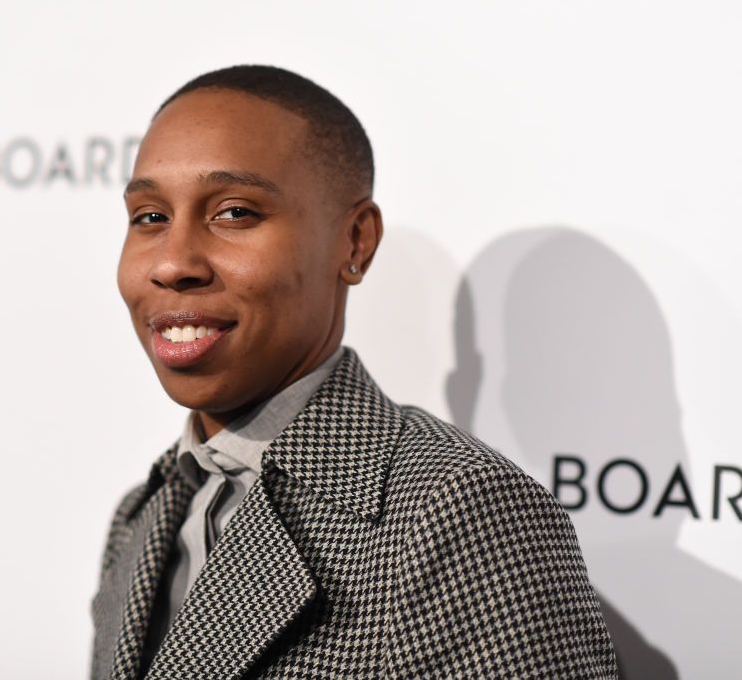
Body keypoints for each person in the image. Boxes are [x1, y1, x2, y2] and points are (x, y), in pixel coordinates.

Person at [91, 64, 617, 680]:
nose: (173, 262)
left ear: (354, 243)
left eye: (234, 213)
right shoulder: (143, 515)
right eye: (149, 217)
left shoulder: (460, 515)